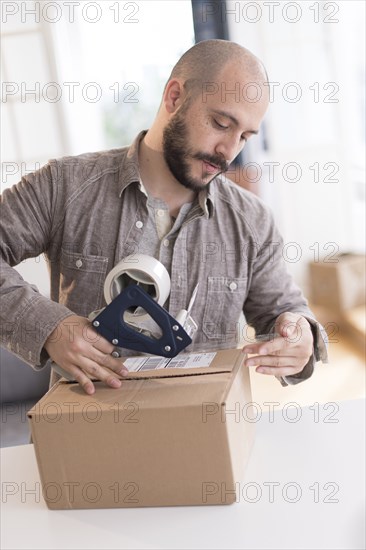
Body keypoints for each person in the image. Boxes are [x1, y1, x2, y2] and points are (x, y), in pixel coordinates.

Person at [0, 39, 327, 395]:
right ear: (174, 97)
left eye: (244, 137)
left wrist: (300, 337)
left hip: (206, 432)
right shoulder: (64, 186)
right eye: (220, 123)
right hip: (84, 433)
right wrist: (50, 326)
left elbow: (284, 312)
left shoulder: (253, 222)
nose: (228, 151)